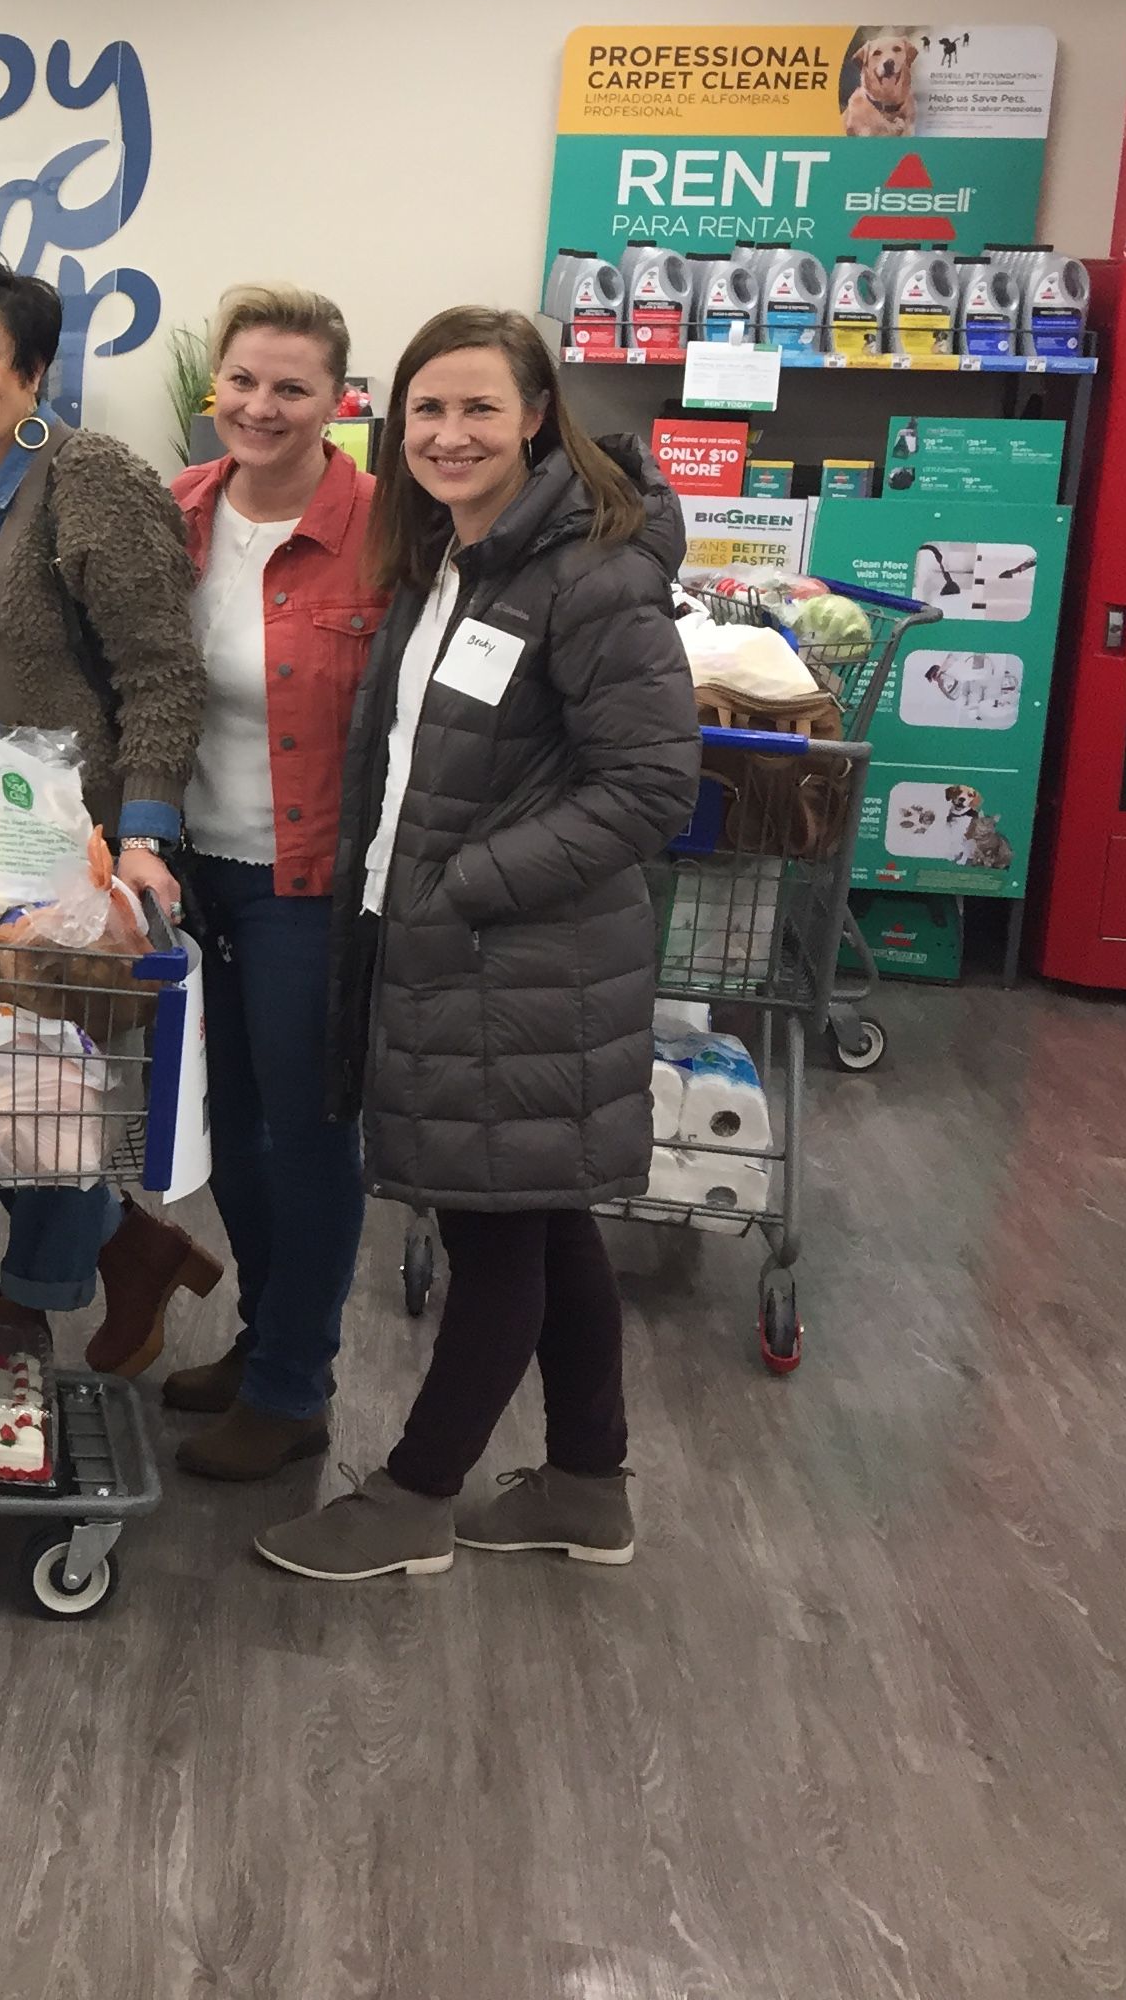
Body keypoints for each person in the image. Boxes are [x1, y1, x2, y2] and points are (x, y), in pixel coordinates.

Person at [254, 305, 698, 1583]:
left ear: (537, 419)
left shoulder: (589, 573)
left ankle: (416, 1495)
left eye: (478, 409)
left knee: (494, 1235)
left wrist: (461, 887)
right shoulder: (457, 560)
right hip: (463, 947)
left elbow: (651, 785)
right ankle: (586, 1482)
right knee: (546, 1220)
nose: (448, 435)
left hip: (521, 960)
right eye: (426, 412)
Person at [0, 250, 213, 1378]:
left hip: (66, 846)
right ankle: (134, 1250)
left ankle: (25, 1309)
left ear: (34, 368)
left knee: (33, 1084)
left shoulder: (92, 478)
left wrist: (144, 834)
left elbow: (162, 673)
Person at [156, 283, 385, 1481]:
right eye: (244, 379)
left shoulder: (385, 529)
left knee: (308, 1138)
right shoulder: (180, 511)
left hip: (308, 881)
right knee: (230, 1131)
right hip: (196, 872)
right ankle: (263, 1345)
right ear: (216, 386)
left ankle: (298, 1385)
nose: (262, 404)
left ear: (337, 401)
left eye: (292, 386)